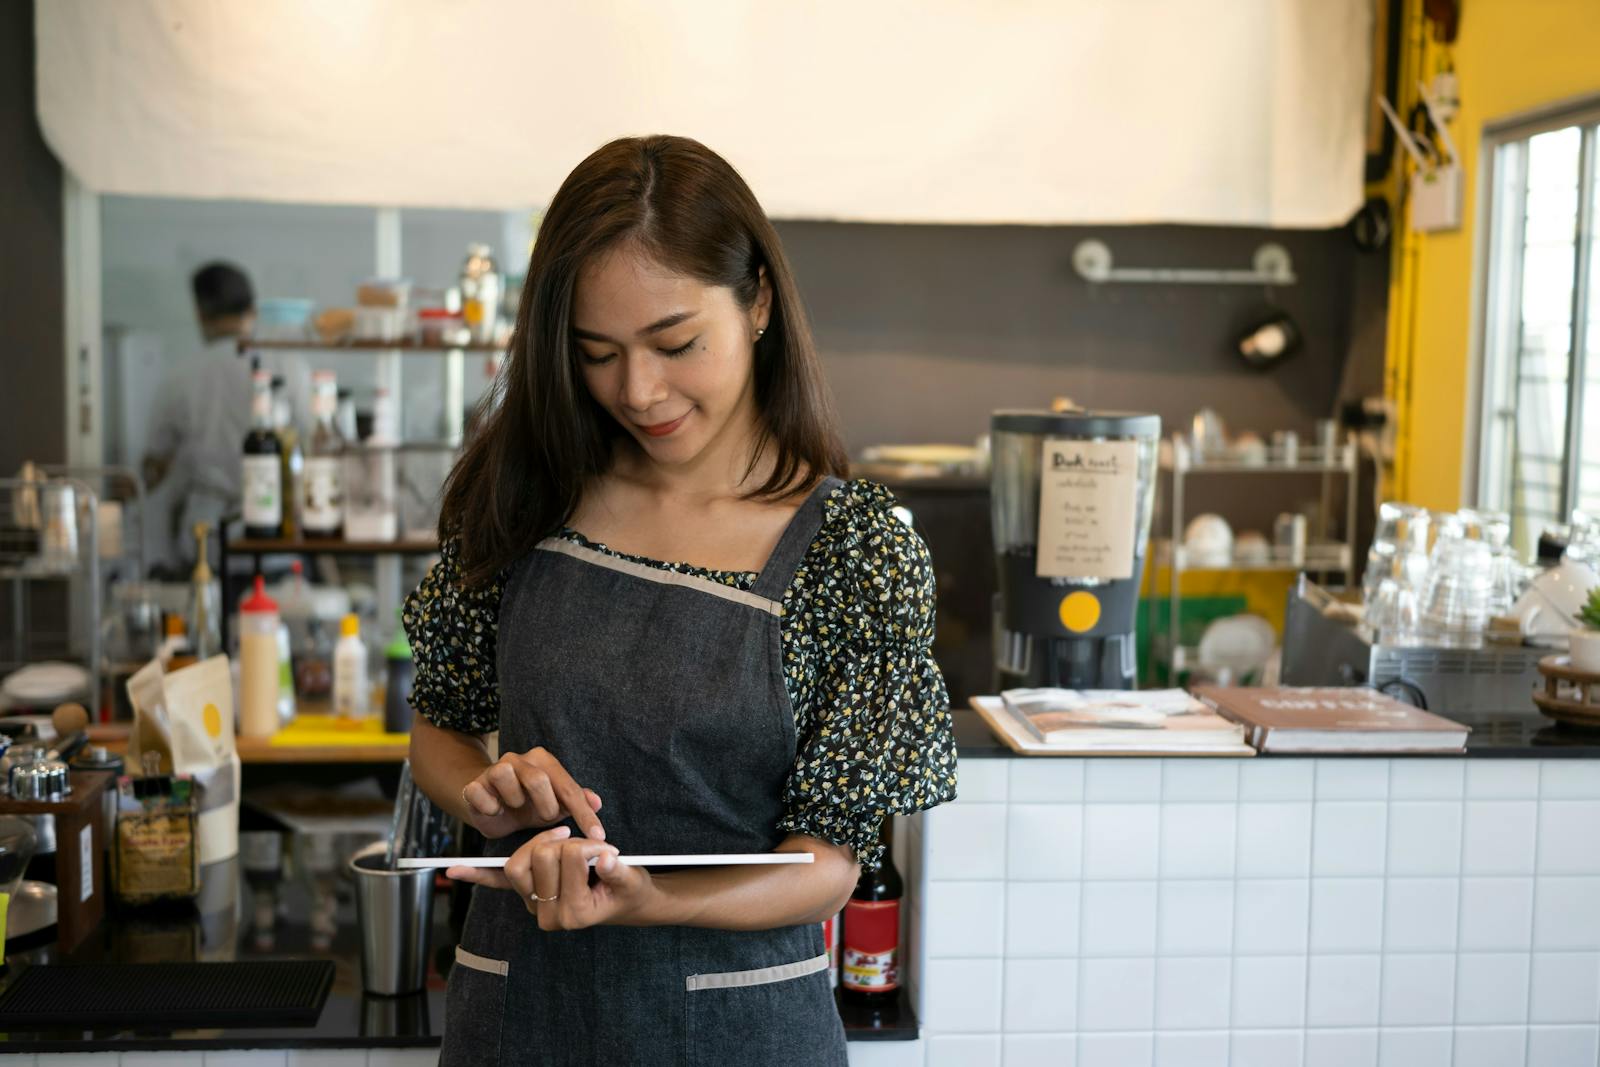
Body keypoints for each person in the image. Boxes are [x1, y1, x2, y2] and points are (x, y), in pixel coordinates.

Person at [403, 135, 957, 1066]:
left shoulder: (857, 550)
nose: (638, 390)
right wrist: (490, 800)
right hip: (517, 1019)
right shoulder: (523, 496)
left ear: (760, 305)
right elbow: (440, 734)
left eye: (676, 343)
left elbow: (827, 864)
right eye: (597, 353)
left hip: (743, 1027)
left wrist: (650, 899)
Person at [142, 261, 309, 568]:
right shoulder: (289, 366)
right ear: (253, 311)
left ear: (200, 314)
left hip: (207, 539)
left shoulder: (180, 378)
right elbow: (311, 448)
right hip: (277, 541)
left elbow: (153, 469)